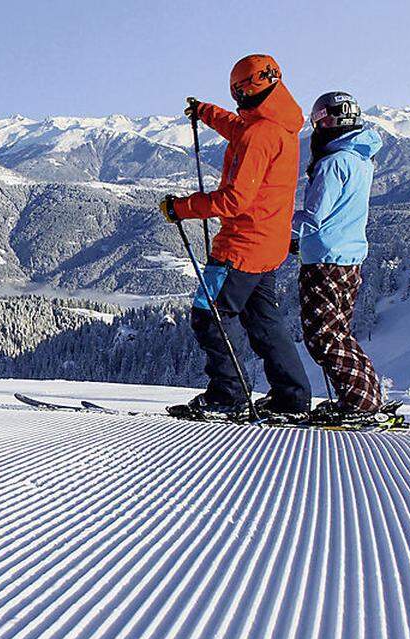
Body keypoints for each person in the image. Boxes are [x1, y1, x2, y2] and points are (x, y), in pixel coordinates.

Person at [158, 54, 311, 420]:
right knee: (264, 322)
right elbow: (239, 129)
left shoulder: (260, 134)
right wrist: (206, 112)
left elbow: (234, 199)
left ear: (243, 90)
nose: (236, 101)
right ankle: (292, 397)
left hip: (241, 246)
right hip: (268, 245)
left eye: (236, 93)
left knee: (208, 315)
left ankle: (227, 395)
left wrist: (183, 208)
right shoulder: (278, 123)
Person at [292, 91, 386, 422]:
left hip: (325, 259)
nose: (316, 130)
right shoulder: (361, 159)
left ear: (330, 123)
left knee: (322, 335)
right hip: (348, 256)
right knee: (337, 330)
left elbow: (315, 215)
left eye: (318, 123)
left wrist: (281, 231)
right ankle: (366, 394)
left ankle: (358, 402)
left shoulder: (333, 164)